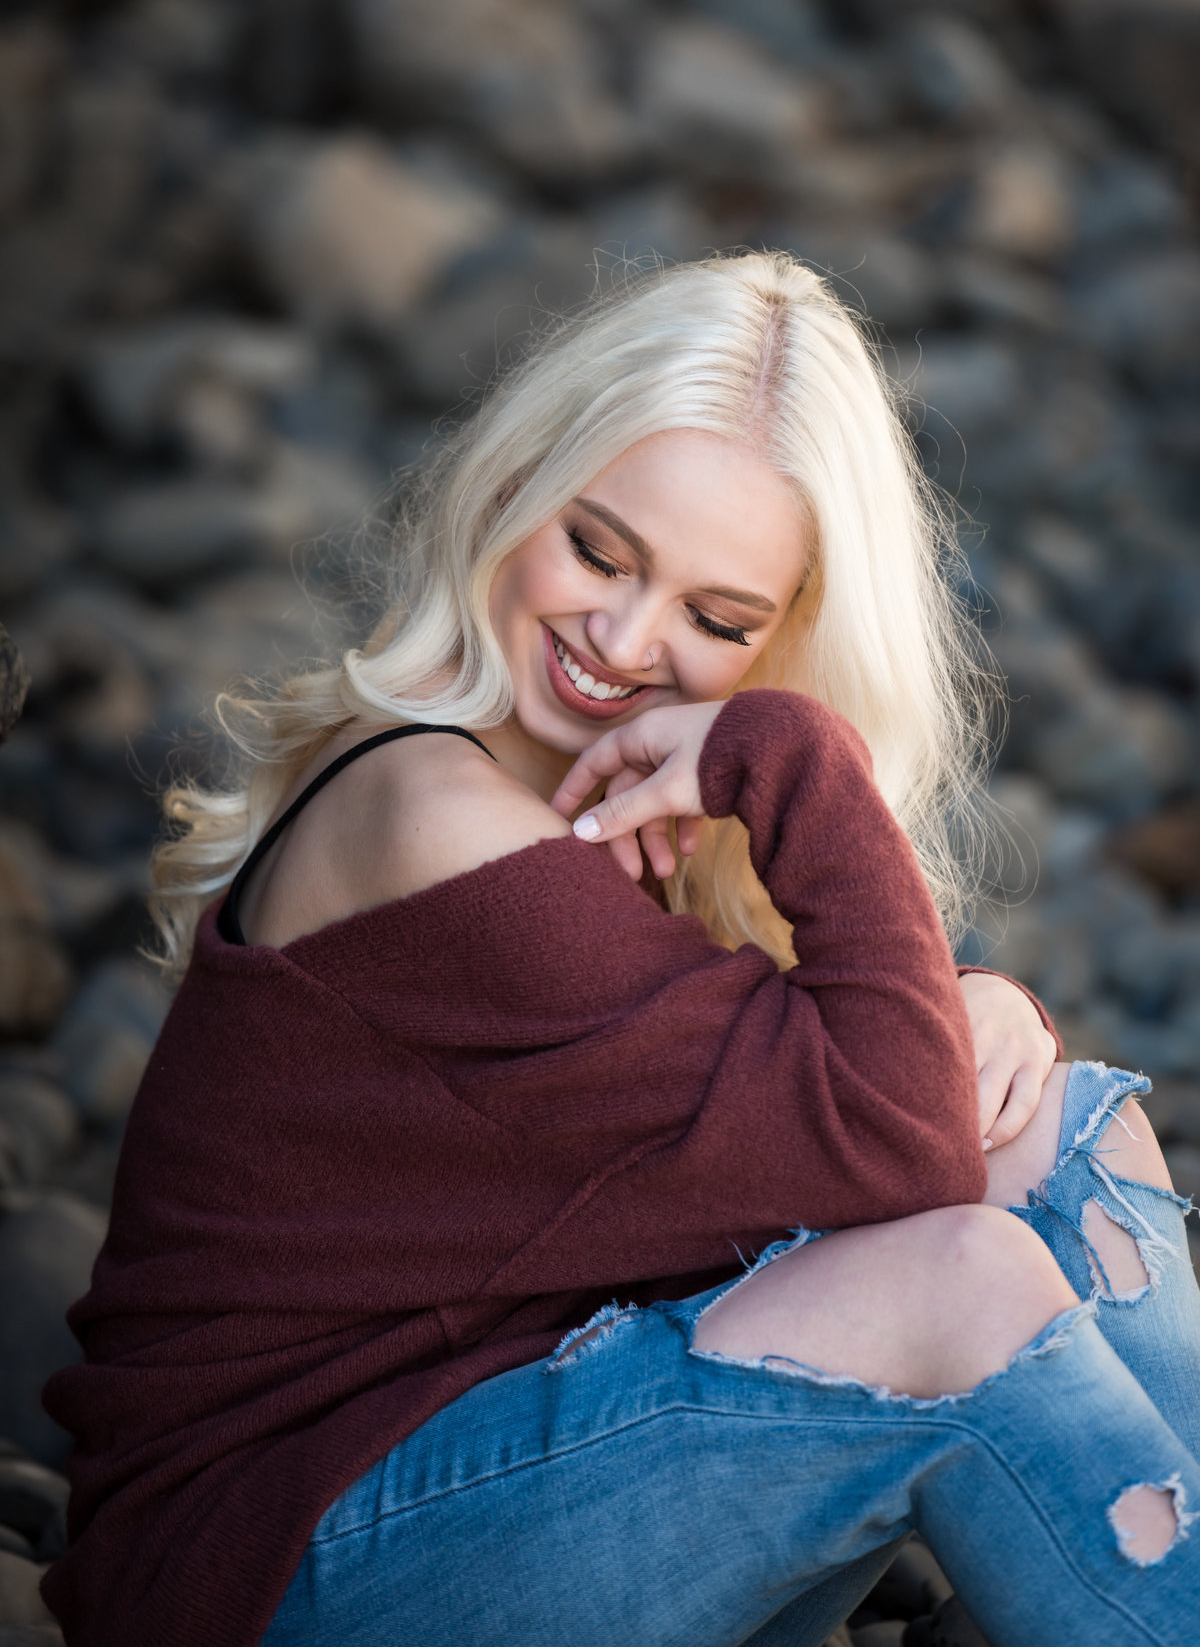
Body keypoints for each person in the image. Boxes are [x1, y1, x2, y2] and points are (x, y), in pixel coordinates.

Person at [42, 252, 1200, 1647]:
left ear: (787, 633)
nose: (626, 640)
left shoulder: (599, 810)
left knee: (1067, 1138)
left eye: (719, 622)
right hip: (265, 1569)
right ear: (517, 487)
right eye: (598, 549)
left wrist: (982, 1008)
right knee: (964, 1280)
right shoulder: (436, 820)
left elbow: (858, 1123)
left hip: (486, 1460)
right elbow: (897, 1144)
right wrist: (795, 758)